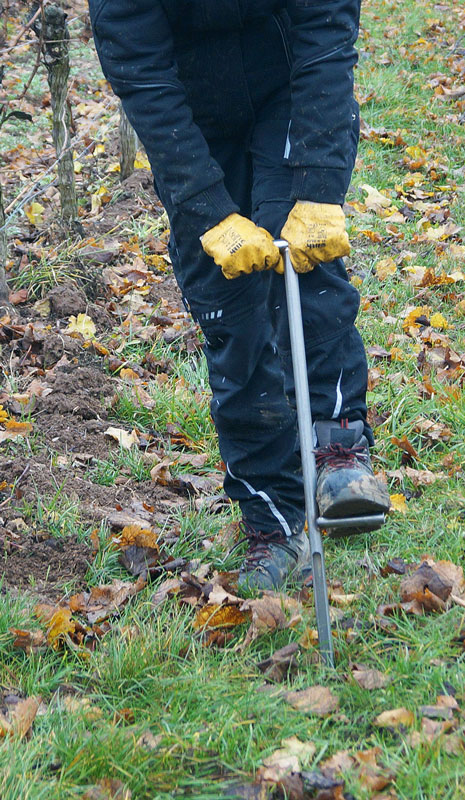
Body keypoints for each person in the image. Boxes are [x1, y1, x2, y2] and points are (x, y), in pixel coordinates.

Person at [89, 0, 391, 590]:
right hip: (189, 116)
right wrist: (205, 208)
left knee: (306, 269)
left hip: (289, 89)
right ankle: (273, 523)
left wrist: (319, 185)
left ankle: (339, 451)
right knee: (231, 311)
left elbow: (326, 32)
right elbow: (141, 72)